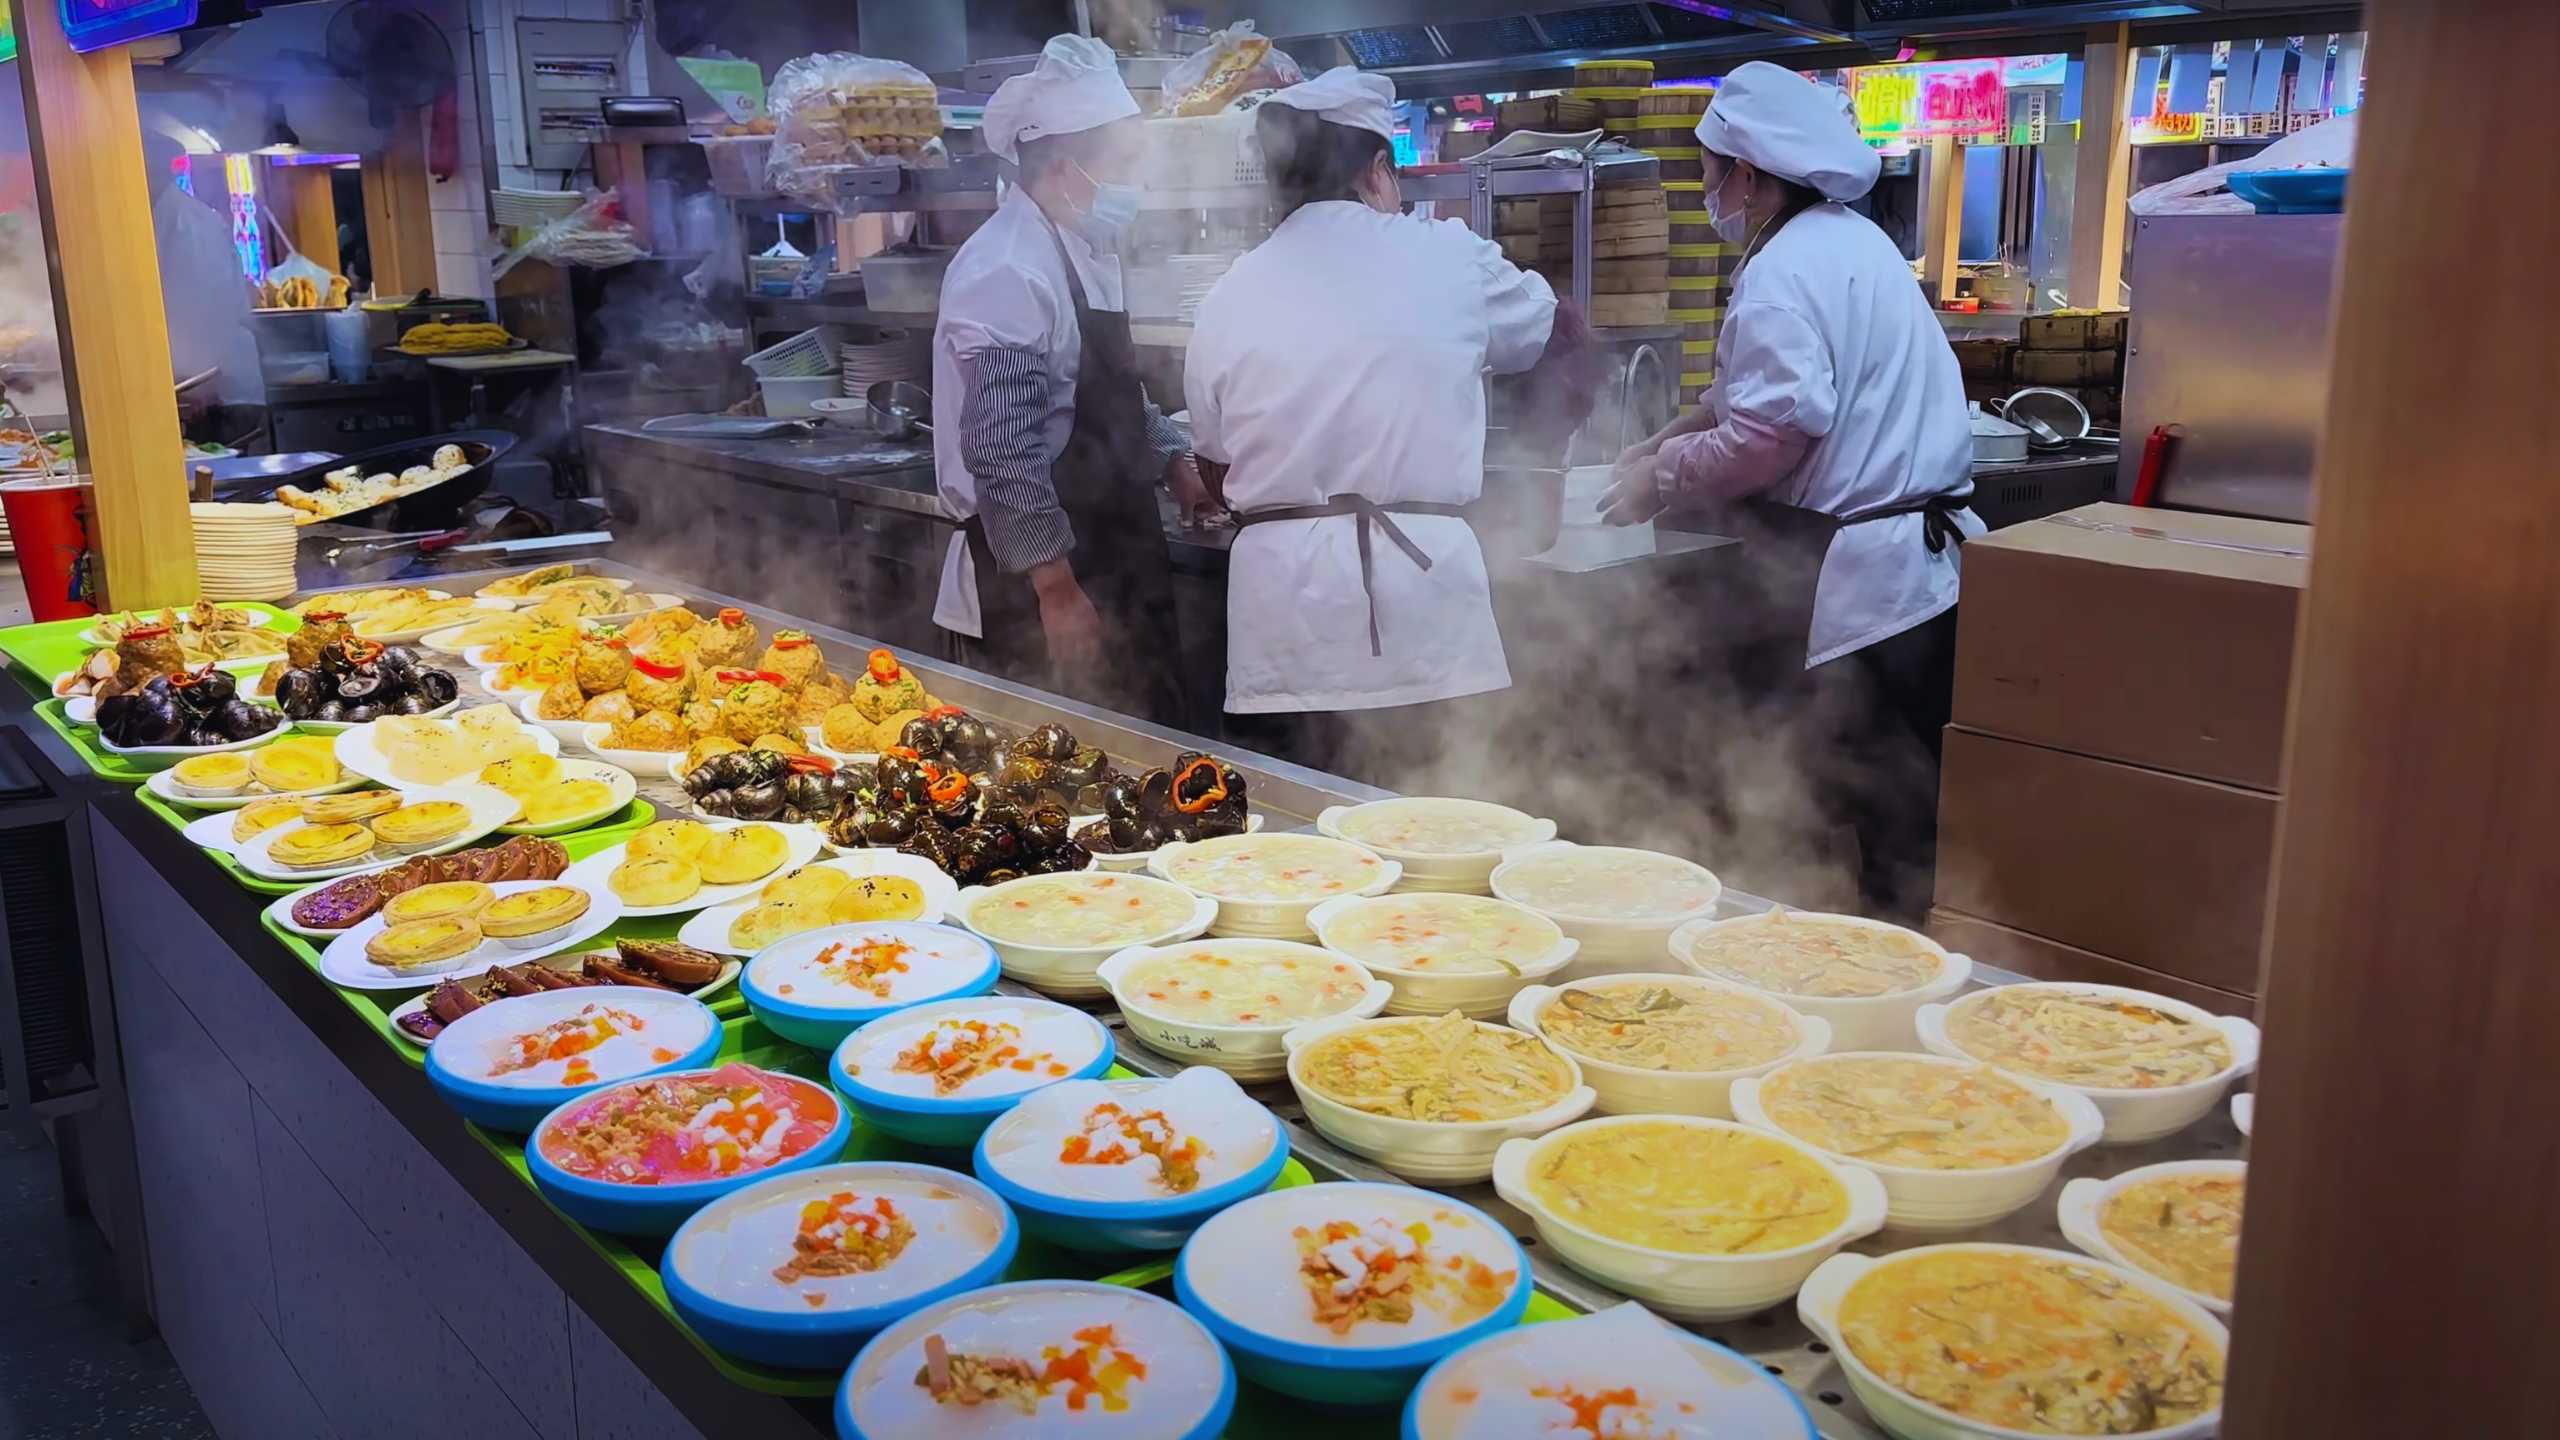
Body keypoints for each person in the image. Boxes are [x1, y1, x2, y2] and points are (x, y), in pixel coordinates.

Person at [1598, 61, 1979, 921]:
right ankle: (1897, 951)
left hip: (1865, 581)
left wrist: (1661, 482)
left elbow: (1773, 435)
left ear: (1752, 176)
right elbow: (1750, 397)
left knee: (1867, 801)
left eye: (1709, 171)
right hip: (1925, 569)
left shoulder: (1780, 274)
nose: (1707, 190)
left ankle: (1868, 977)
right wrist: (1668, 437)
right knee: (1904, 799)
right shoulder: (1851, 243)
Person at [1184, 66, 1583, 771]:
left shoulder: (1226, 293)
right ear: (1376, 172)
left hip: (1283, 623)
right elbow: (1556, 336)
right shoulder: (1447, 256)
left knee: (1290, 836)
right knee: (1442, 826)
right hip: (1426, 607)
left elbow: (1215, 472)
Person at [930, 34, 1208, 724]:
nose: (1132, 182)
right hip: (1039, 576)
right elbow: (1001, 444)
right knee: (1056, 780)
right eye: (1120, 162)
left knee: (1146, 763)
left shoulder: (1083, 247)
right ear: (1061, 166)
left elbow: (1103, 388)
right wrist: (1054, 587)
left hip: (1113, 551)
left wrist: (1174, 458)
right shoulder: (1007, 269)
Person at [143, 132, 264, 437]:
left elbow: (209, 307)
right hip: (197, 388)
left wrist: (198, 381)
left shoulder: (191, 225)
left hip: (217, 394)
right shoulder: (158, 218)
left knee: (215, 480)